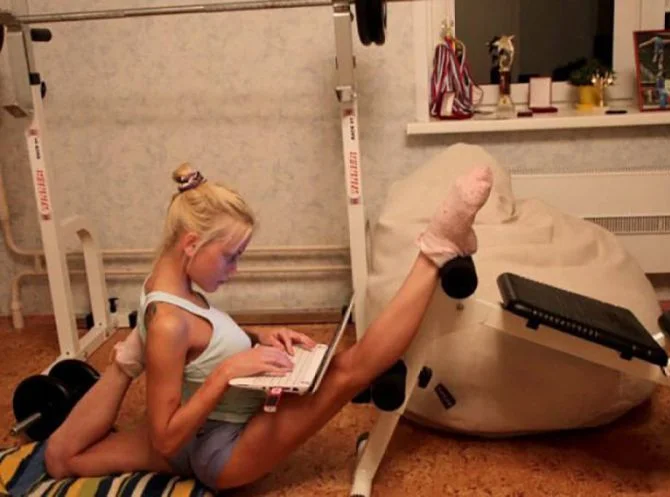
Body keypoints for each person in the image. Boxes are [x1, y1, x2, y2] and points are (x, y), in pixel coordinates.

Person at [44, 161, 493, 490]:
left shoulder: (163, 284)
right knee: (349, 369)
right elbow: (163, 439)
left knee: (61, 460)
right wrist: (226, 371)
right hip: (222, 449)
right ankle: (437, 247)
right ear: (192, 243)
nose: (234, 270)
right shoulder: (167, 323)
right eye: (230, 256)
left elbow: (200, 337)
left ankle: (125, 361)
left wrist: (257, 337)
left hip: (200, 432)